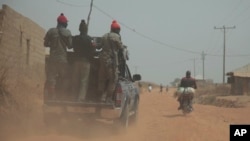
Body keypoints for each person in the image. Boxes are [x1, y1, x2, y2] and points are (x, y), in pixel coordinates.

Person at [44, 13, 72, 100]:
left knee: (51, 78)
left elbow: (45, 43)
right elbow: (70, 46)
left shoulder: (51, 31)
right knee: (65, 77)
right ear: (64, 23)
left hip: (52, 59)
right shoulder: (67, 32)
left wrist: (52, 44)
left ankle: (52, 96)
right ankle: (63, 95)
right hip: (63, 60)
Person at [98, 20, 123, 102]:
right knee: (113, 79)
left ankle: (100, 96)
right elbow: (120, 47)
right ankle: (108, 98)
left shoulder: (104, 36)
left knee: (102, 79)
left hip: (102, 60)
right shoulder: (117, 37)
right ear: (117, 30)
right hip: (111, 61)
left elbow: (99, 46)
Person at [71, 20, 94, 101]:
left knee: (75, 80)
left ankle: (73, 97)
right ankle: (80, 98)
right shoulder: (89, 39)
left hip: (76, 62)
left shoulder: (75, 38)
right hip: (85, 62)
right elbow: (93, 51)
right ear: (86, 30)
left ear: (79, 29)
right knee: (83, 81)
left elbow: (71, 46)